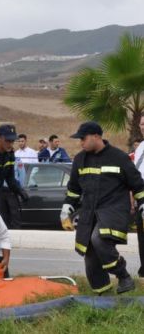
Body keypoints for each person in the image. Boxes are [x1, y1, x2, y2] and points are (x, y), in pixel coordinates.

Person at [60, 121, 144, 295]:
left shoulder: (119, 157)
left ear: (96, 136)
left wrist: (143, 205)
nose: (80, 143)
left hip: (114, 210)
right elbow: (74, 189)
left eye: (83, 138)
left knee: (99, 239)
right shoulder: (80, 159)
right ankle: (103, 296)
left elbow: (138, 185)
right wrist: (67, 208)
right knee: (90, 254)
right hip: (89, 212)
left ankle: (124, 276)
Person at [0, 125, 29, 228]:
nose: (10, 144)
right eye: (7, 140)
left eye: (12, 141)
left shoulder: (10, 155)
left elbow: (10, 178)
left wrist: (20, 191)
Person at [133, 117, 144, 277]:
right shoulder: (140, 147)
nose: (143, 127)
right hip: (139, 195)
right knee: (141, 235)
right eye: (142, 124)